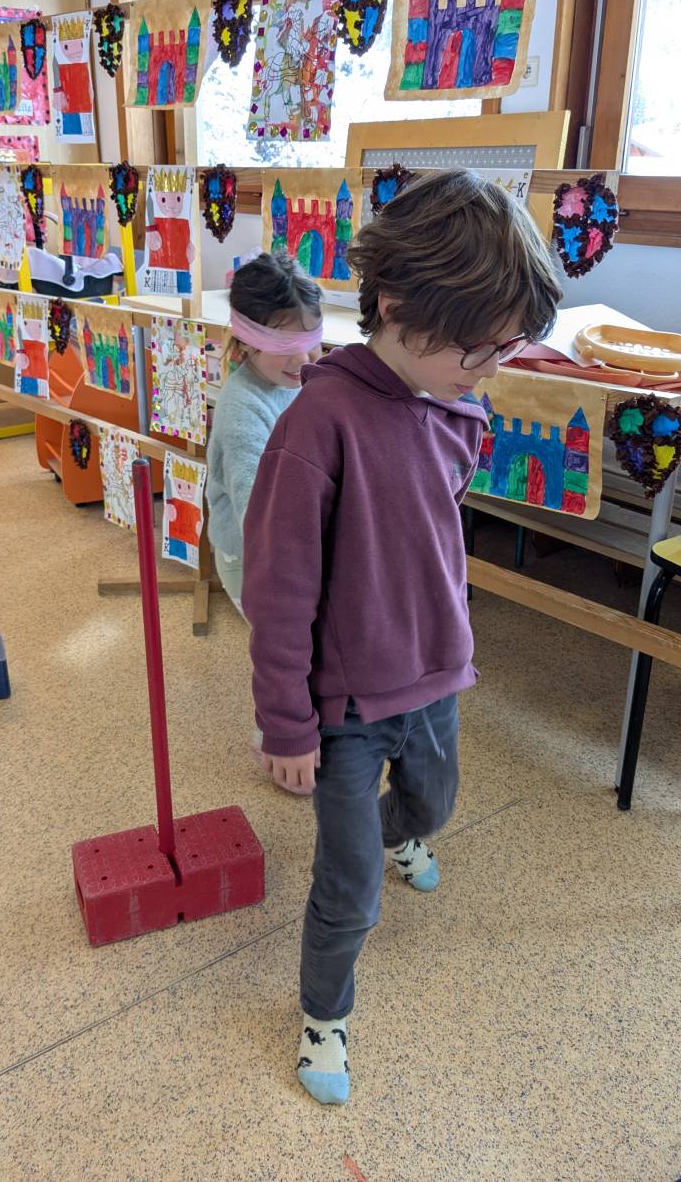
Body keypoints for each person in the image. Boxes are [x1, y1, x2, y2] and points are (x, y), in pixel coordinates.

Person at [241, 170, 563, 1105]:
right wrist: (286, 724)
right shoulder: (318, 424)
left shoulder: (461, 403)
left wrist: (442, 633)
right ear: (394, 307)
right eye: (478, 346)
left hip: (434, 675)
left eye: (506, 346)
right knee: (351, 888)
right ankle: (324, 1014)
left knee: (432, 805)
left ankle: (389, 836)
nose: (490, 367)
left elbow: (433, 529)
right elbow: (278, 591)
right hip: (344, 704)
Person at [206, 252, 323, 615]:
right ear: (244, 342)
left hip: (294, 538)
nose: (303, 359)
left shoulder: (300, 379)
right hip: (251, 559)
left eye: (311, 341)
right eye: (284, 346)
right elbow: (258, 519)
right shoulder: (242, 411)